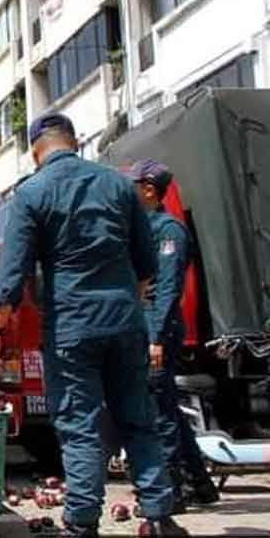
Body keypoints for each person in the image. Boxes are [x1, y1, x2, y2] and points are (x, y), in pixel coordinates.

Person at [0, 113, 186, 537]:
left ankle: (81, 522)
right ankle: (159, 515)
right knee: (137, 418)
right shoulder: (118, 185)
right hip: (125, 320)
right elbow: (146, 265)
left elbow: (14, 268)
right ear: (74, 141)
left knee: (80, 424)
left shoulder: (32, 192)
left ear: (36, 150)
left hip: (73, 324)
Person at [130, 159, 219, 512]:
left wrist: (154, 338)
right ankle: (200, 483)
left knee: (158, 411)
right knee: (166, 406)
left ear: (149, 189)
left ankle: (172, 492)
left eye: (133, 186)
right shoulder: (144, 227)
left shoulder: (169, 231)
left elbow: (167, 289)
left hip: (158, 328)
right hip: (147, 325)